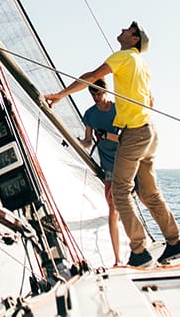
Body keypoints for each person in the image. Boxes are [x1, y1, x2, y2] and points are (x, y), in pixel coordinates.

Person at [45, 21, 180, 268]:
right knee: (148, 193)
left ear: (134, 39)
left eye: (129, 29)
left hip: (134, 134)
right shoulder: (142, 64)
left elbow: (91, 77)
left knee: (121, 192)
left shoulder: (123, 57)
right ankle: (175, 242)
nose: (123, 28)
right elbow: (150, 98)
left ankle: (140, 251)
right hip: (150, 131)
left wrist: (60, 95)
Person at [80, 77, 136, 266]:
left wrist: (104, 135)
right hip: (108, 167)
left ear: (106, 91)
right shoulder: (89, 115)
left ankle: (138, 247)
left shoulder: (117, 108)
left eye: (98, 92)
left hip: (125, 162)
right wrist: (79, 143)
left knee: (128, 204)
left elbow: (125, 138)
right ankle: (118, 259)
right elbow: (88, 141)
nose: (96, 97)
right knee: (112, 209)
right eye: (93, 93)